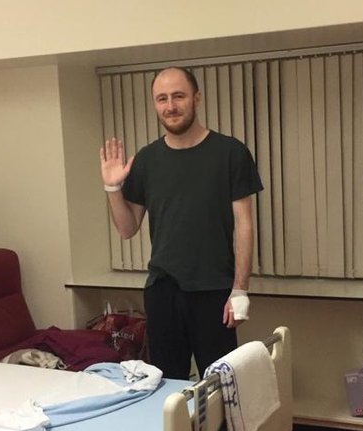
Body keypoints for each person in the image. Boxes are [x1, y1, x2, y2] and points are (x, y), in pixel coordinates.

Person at [99, 66, 263, 380]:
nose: (170, 106)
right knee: (166, 386)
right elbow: (126, 228)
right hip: (163, 292)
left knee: (222, 389)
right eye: (162, 99)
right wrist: (112, 188)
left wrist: (240, 290)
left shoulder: (230, 153)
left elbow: (244, 225)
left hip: (214, 291)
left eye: (178, 96)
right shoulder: (147, 160)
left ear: (196, 98)